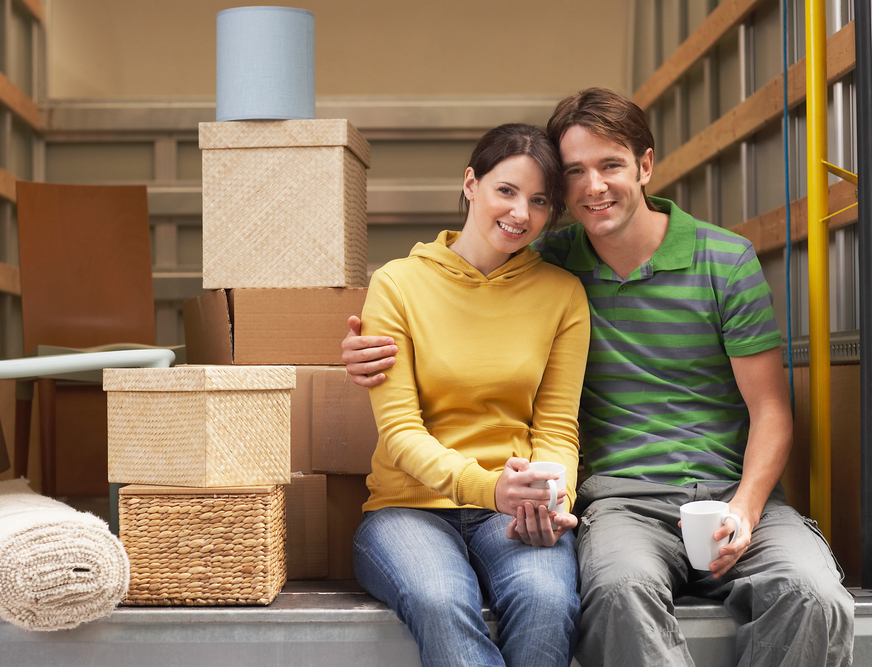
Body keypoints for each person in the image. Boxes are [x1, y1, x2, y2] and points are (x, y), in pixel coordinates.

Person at [344, 88, 855, 667]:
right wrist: (358, 351)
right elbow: (462, 285)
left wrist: (746, 507)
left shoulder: (715, 262)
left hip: (723, 494)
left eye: (610, 165)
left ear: (645, 164)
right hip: (618, 503)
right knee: (611, 597)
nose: (593, 187)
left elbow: (769, 412)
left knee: (814, 597)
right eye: (574, 174)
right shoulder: (544, 262)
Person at [352, 123, 590, 667]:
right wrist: (489, 488)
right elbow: (401, 431)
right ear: (470, 183)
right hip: (407, 509)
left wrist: (553, 499)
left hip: (514, 510)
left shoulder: (562, 294)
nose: (520, 214)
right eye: (506, 191)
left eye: (539, 201)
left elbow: (556, 428)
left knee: (549, 600)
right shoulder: (397, 284)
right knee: (441, 600)